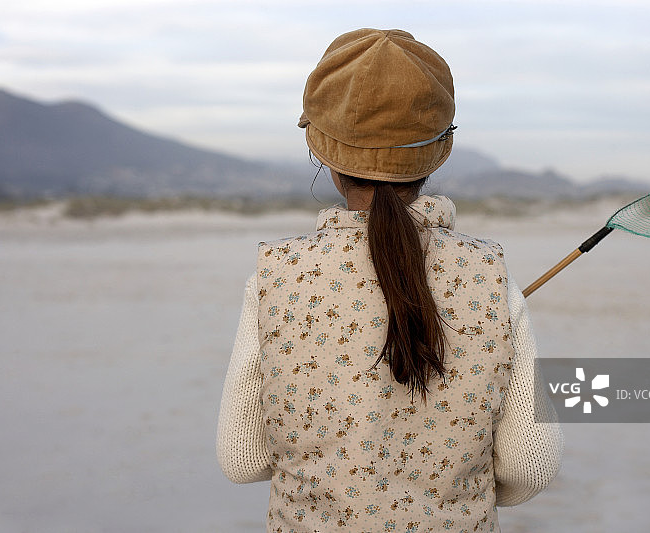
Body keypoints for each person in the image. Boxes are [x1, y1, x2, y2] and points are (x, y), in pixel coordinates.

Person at [217, 28, 563, 532]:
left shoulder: (277, 278)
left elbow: (241, 459)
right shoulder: (489, 280)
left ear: (324, 156)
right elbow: (530, 466)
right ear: (438, 152)